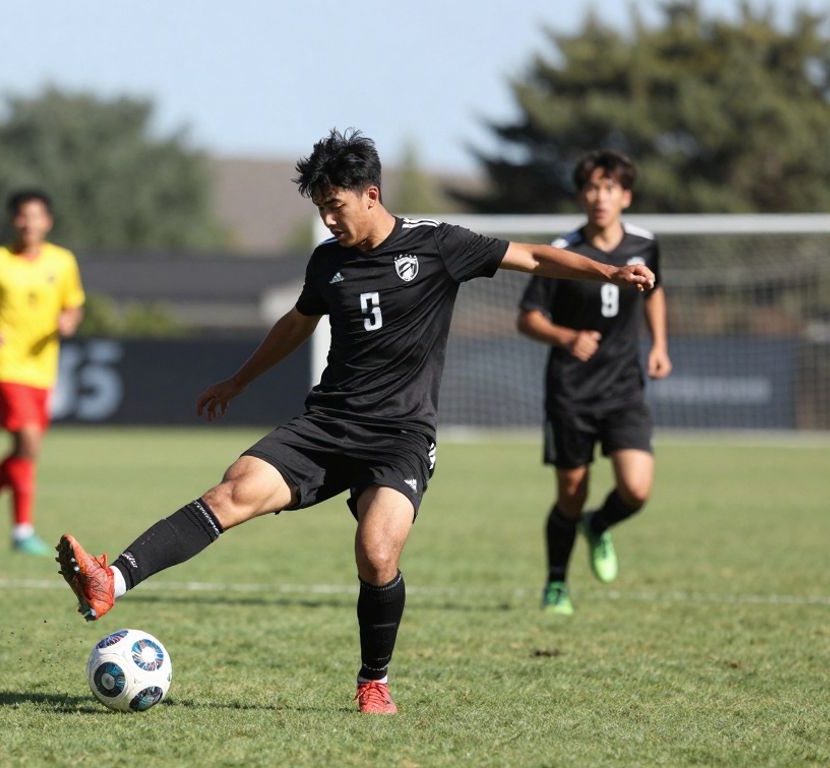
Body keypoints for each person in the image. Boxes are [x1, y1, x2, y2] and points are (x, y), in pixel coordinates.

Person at [54, 129, 655, 715]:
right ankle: (113, 580)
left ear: (370, 193)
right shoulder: (327, 263)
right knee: (232, 491)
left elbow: (531, 256)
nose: (328, 221)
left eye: (335, 206)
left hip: (401, 437)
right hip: (327, 424)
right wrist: (239, 380)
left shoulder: (438, 244)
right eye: (320, 209)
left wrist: (607, 273)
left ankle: (373, 681)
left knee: (376, 554)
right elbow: (296, 324)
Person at [518, 149, 670, 616]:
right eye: (591, 187)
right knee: (570, 493)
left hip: (623, 387)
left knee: (637, 489)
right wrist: (566, 336)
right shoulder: (562, 249)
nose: (599, 197)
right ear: (581, 195)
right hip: (571, 391)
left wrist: (659, 345)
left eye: (609, 188)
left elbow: (655, 291)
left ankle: (598, 525)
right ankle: (557, 584)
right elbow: (527, 318)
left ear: (625, 195)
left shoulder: (645, 244)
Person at [0, 189, 84, 556]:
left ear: (48, 221)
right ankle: (22, 531)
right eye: (22, 216)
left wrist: (69, 320)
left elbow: (74, 305)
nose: (29, 223)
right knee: (29, 442)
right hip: (6, 364)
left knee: (24, 449)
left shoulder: (62, 262)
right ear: (13, 221)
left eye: (37, 216)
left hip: (43, 368)